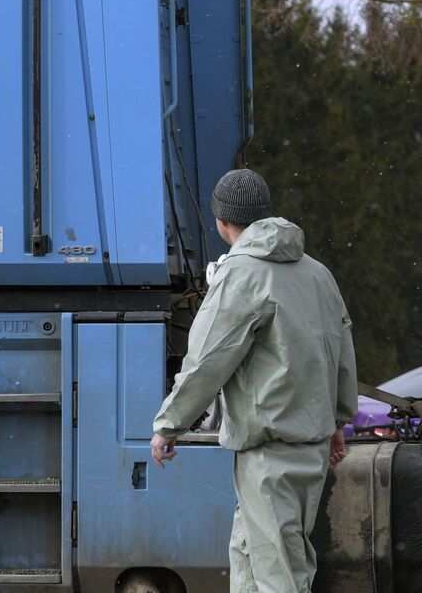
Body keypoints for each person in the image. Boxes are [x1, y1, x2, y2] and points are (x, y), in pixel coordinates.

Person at [151, 168, 358, 593]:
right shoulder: (318, 273)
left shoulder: (239, 274)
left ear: (222, 222)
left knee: (278, 575)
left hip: (267, 453)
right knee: (254, 558)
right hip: (311, 448)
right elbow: (339, 350)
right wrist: (338, 422)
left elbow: (209, 358)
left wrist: (169, 423)